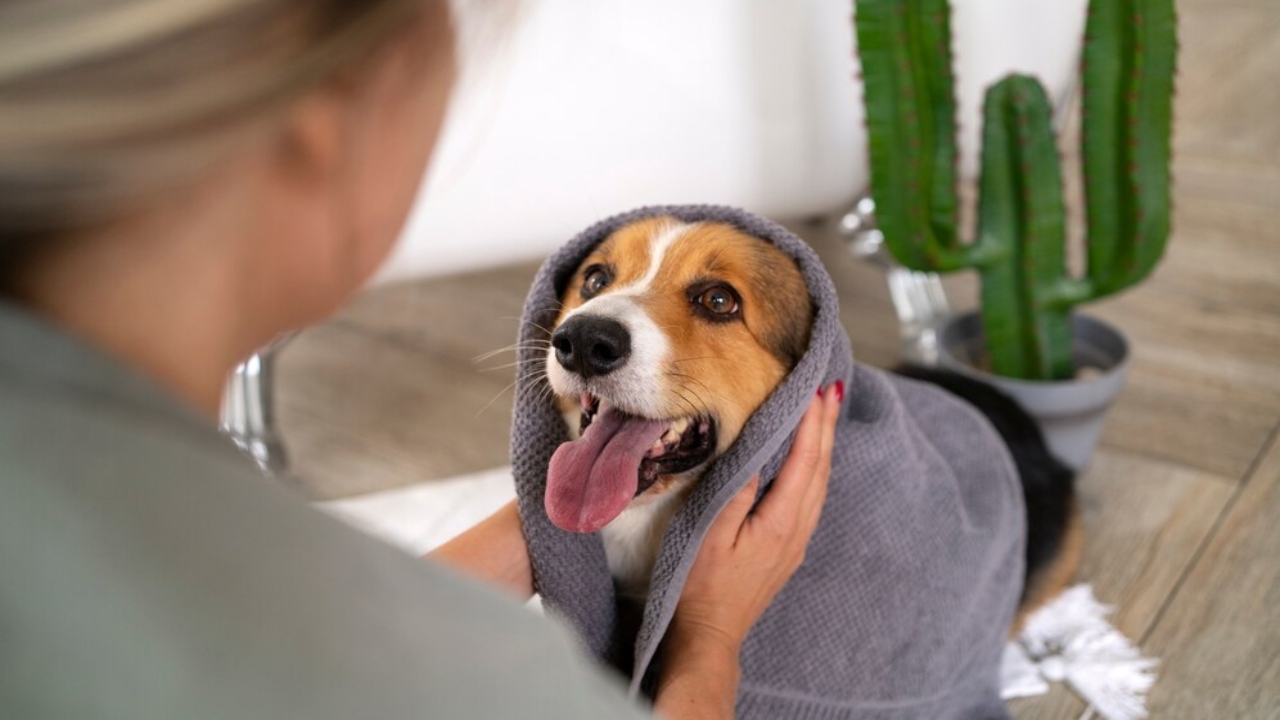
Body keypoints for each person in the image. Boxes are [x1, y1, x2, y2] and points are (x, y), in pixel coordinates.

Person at [0, 1, 841, 718]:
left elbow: (329, 627)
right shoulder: (484, 686)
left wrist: (554, 521)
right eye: (595, 280)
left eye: (716, 300)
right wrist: (712, 642)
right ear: (325, 120)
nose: (590, 320)